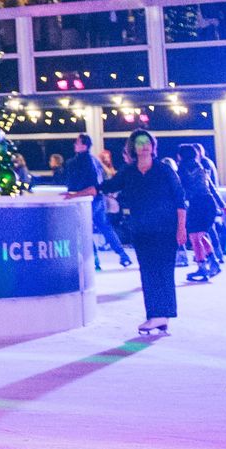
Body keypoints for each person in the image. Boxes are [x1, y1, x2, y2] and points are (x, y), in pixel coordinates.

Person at [99, 129, 187, 338]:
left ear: (153, 146)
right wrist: (79, 192)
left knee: (164, 272)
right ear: (133, 147)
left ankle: (162, 315)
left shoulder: (164, 170)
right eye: (139, 143)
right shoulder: (129, 172)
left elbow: (179, 199)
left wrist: (181, 227)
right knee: (148, 272)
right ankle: (157, 315)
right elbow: (107, 186)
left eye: (147, 142)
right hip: (141, 230)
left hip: (165, 229)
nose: (144, 146)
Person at [61, 134, 130, 271]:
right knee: (104, 227)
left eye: (77, 142)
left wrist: (73, 195)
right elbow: (101, 179)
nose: (74, 144)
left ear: (84, 145)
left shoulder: (79, 162)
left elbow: (76, 183)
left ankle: (94, 261)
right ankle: (122, 255)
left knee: (85, 229)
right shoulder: (94, 160)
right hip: (98, 199)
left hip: (87, 199)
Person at [175, 143, 222, 283]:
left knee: (195, 237)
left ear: (181, 155)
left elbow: (181, 189)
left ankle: (203, 267)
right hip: (207, 203)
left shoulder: (183, 169)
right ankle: (213, 262)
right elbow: (210, 187)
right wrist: (221, 203)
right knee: (200, 235)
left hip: (198, 204)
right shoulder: (200, 167)